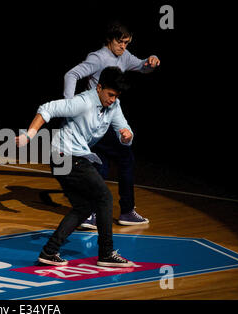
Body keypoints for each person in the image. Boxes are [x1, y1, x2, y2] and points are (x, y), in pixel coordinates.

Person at [16, 67, 134, 267]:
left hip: (71, 157)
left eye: (116, 96)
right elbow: (48, 108)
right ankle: (106, 253)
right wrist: (29, 135)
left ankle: (49, 252)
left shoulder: (114, 106)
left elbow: (124, 127)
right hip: (67, 156)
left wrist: (127, 135)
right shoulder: (84, 102)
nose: (112, 99)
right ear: (99, 88)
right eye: (110, 94)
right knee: (104, 197)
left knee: (83, 207)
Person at [64, 21, 160, 229]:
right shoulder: (98, 58)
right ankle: (123, 210)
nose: (123, 46)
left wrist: (150, 62)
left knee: (102, 164)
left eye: (127, 42)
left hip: (110, 114)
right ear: (110, 39)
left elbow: (142, 66)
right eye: (120, 42)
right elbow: (71, 75)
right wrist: (69, 104)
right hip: (96, 117)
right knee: (124, 158)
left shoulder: (123, 56)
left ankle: (92, 212)